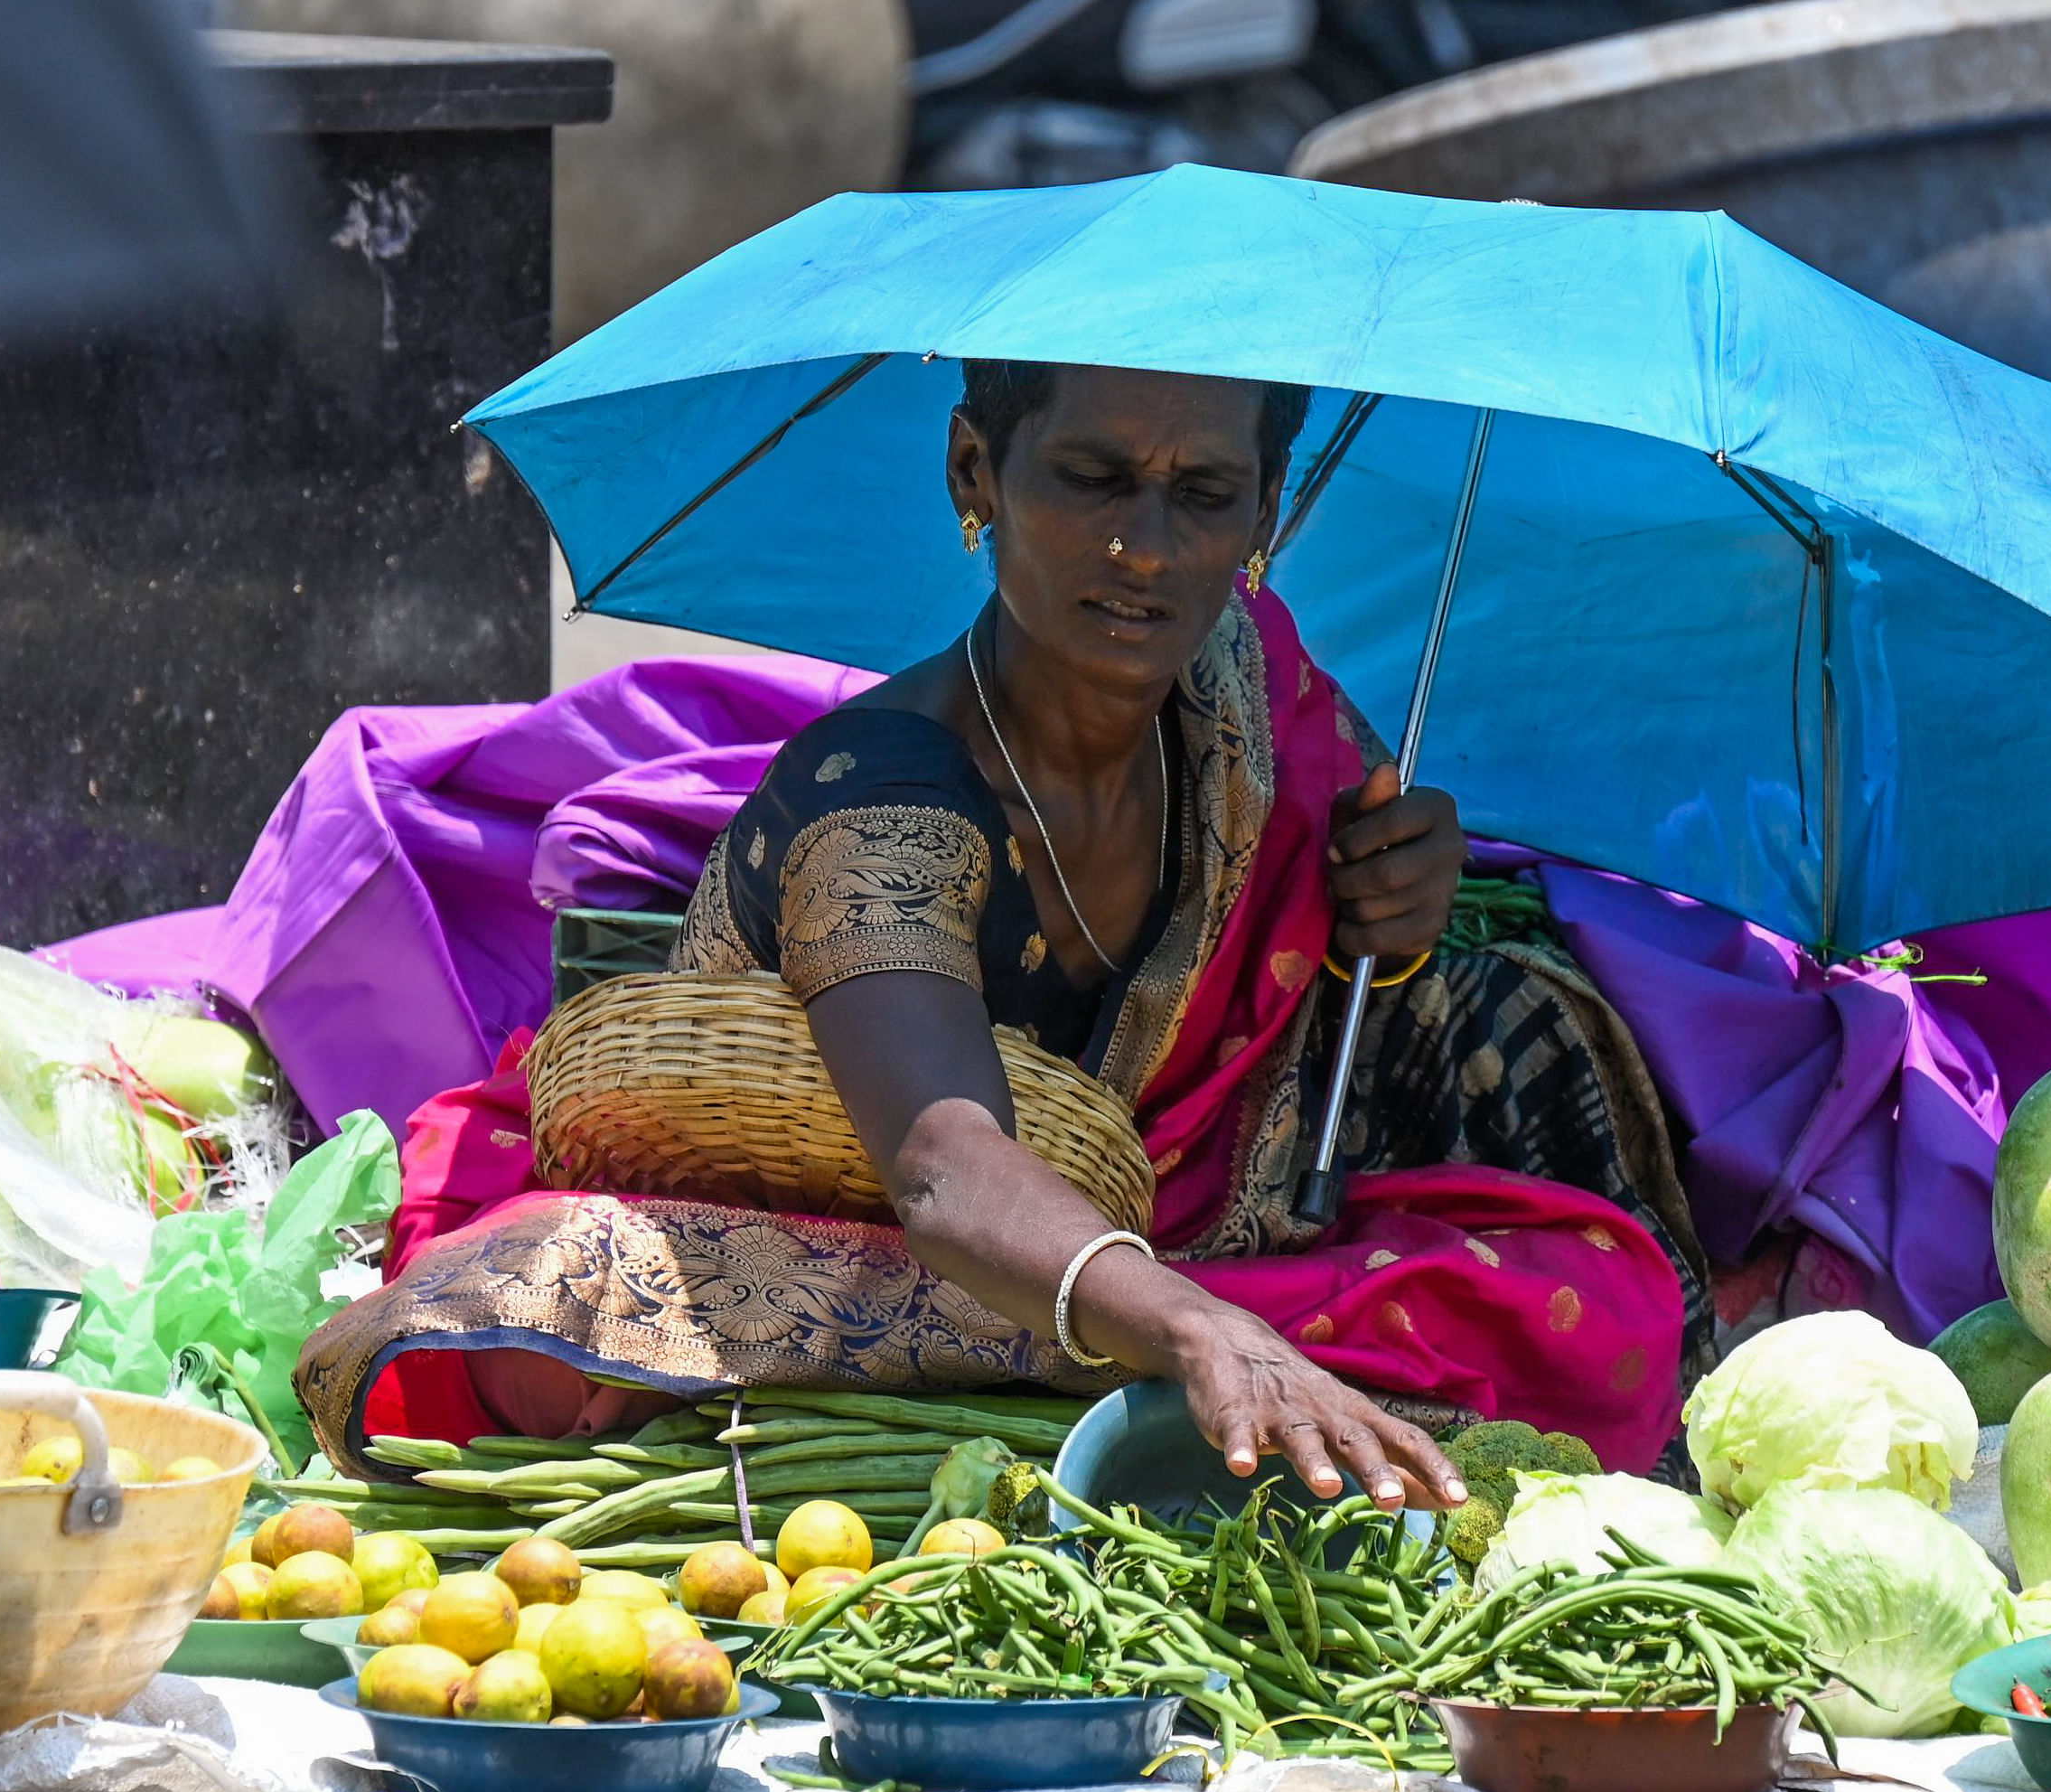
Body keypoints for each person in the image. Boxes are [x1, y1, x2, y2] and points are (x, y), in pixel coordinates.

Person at [298, 361, 1706, 1501]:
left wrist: (1393, 907)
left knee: (1598, 1293)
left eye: (1203, 493)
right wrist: (1204, 1329)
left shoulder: (1250, 704)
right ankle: (1147, 1411)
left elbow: (1310, 974)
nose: (1143, 547)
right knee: (554, 1305)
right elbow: (940, 1167)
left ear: (1265, 507)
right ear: (978, 471)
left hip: (1161, 1233)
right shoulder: (886, 795)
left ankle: (1141, 1401)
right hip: (825, 1248)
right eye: (1090, 478)